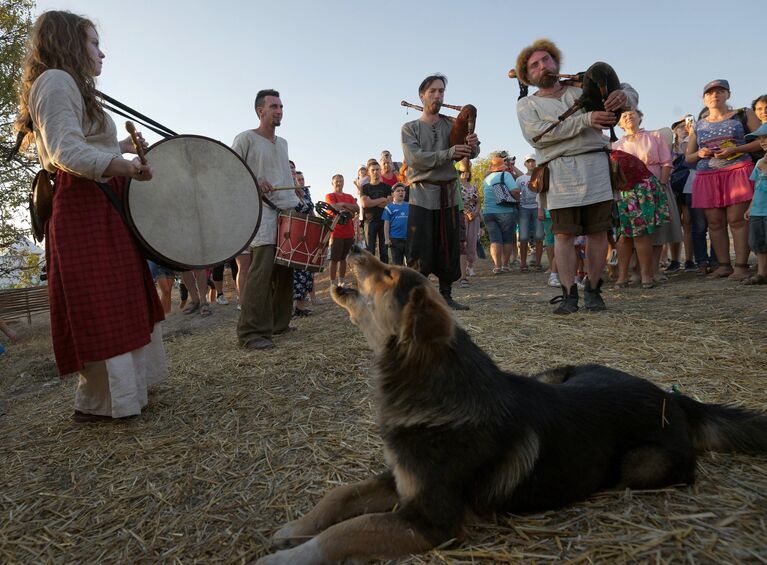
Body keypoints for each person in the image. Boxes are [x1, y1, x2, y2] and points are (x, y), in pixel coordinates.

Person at [14, 11, 166, 422]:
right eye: (94, 44)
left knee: (119, 295)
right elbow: (66, 152)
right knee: (103, 301)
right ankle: (105, 403)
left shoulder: (68, 85)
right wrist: (126, 167)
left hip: (98, 200)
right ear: (69, 43)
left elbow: (86, 144)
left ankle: (125, 394)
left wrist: (124, 149)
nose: (102, 54)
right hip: (83, 205)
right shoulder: (56, 82)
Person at [516, 39, 637, 314]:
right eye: (534, 65)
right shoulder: (527, 105)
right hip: (559, 173)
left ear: (556, 63)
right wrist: (586, 119)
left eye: (546, 60)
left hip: (595, 165)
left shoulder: (580, 86)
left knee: (597, 233)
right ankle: (570, 294)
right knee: (563, 235)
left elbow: (627, 88)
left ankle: (593, 290)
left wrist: (623, 96)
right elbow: (538, 135)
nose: (542, 66)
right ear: (528, 76)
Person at [401, 73, 479, 310]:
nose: (438, 95)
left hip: (448, 195)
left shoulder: (450, 125)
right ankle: (418, 299)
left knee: (449, 246)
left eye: (441, 91)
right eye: (433, 91)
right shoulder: (410, 128)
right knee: (419, 248)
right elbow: (415, 159)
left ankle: (446, 295)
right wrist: (448, 153)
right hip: (422, 194)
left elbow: (468, 152)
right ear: (422, 95)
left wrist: (473, 146)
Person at [232, 89, 299, 350]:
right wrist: (254, 180)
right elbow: (231, 170)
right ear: (260, 110)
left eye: (281, 106)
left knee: (285, 269)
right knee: (260, 272)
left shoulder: (282, 143)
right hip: (262, 213)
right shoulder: (245, 138)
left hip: (287, 211)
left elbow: (285, 176)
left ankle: (279, 324)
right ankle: (250, 332)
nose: (279, 110)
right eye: (273, 106)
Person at [685, 80, 760, 280]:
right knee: (715, 223)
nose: (714, 95)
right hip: (707, 176)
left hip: (737, 171)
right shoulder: (698, 125)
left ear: (728, 94)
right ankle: (723, 265)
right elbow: (688, 157)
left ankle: (742, 266)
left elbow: (762, 141)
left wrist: (736, 149)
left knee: (737, 220)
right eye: (709, 92)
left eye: (719, 91)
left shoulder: (742, 114)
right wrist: (700, 153)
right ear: (704, 98)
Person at [613, 110, 683, 283]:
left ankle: (654, 270)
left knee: (657, 230)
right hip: (629, 192)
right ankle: (635, 271)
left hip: (655, 186)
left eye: (631, 113)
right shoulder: (616, 145)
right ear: (619, 123)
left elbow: (666, 162)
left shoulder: (655, 136)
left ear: (640, 117)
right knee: (633, 231)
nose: (628, 116)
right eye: (624, 116)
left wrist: (662, 185)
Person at [481, 154, 520, 274]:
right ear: (502, 166)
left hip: (488, 212)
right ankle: (505, 265)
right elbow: (515, 191)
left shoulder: (486, 179)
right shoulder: (506, 175)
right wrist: (517, 199)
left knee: (495, 240)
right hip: (506, 211)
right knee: (507, 239)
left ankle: (497, 267)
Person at [325, 174, 359, 287]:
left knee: (344, 258)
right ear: (332, 183)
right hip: (336, 232)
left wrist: (343, 205)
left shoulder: (349, 196)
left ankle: (341, 280)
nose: (339, 183)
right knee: (334, 259)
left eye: (341, 181)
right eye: (337, 181)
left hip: (349, 232)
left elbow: (357, 209)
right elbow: (333, 207)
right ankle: (332, 282)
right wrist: (348, 207)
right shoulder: (329, 195)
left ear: (344, 182)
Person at [743, 123, 767, 285]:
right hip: (758, 210)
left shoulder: (763, 164)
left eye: (766, 138)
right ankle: (762, 273)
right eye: (760, 138)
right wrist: (751, 207)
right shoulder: (760, 162)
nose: (763, 141)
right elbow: (757, 187)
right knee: (759, 243)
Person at [292, 170, 315, 317]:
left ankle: (300, 308)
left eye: (302, 178)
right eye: (297, 178)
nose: (300, 181)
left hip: (308, 234)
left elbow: (311, 210)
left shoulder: (305, 191)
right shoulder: (287, 190)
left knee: (306, 271)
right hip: (294, 234)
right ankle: (291, 308)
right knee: (296, 272)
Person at [517, 154, 544, 272]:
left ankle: (538, 264)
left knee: (539, 236)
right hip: (523, 209)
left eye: (533, 161)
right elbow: (516, 194)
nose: (531, 164)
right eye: (528, 162)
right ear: (525, 164)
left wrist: (541, 209)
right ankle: (523, 264)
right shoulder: (520, 179)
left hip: (537, 208)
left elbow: (543, 194)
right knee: (523, 237)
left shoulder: (541, 176)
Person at [360, 159, 392, 262]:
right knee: (370, 252)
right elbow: (365, 204)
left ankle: (385, 276)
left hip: (384, 221)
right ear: (369, 172)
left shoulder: (387, 187)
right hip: (369, 222)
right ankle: (371, 276)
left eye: (378, 169)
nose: (375, 172)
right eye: (373, 170)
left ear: (380, 171)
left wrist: (372, 201)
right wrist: (382, 199)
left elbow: (389, 204)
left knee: (384, 251)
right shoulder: (365, 187)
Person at [459, 166, 481, 285]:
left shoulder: (473, 186)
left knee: (472, 241)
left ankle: (470, 265)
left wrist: (476, 213)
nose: (465, 174)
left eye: (467, 171)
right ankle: (461, 268)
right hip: (462, 216)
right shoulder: (458, 186)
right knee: (463, 241)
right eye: (462, 172)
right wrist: (467, 213)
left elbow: (478, 202)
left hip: (474, 217)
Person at [383, 183, 409, 265]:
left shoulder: (409, 206)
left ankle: (409, 278)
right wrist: (387, 239)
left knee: (411, 263)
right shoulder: (389, 208)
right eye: (398, 191)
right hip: (395, 240)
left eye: (402, 191)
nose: (401, 192)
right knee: (397, 264)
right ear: (393, 194)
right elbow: (386, 224)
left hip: (408, 239)